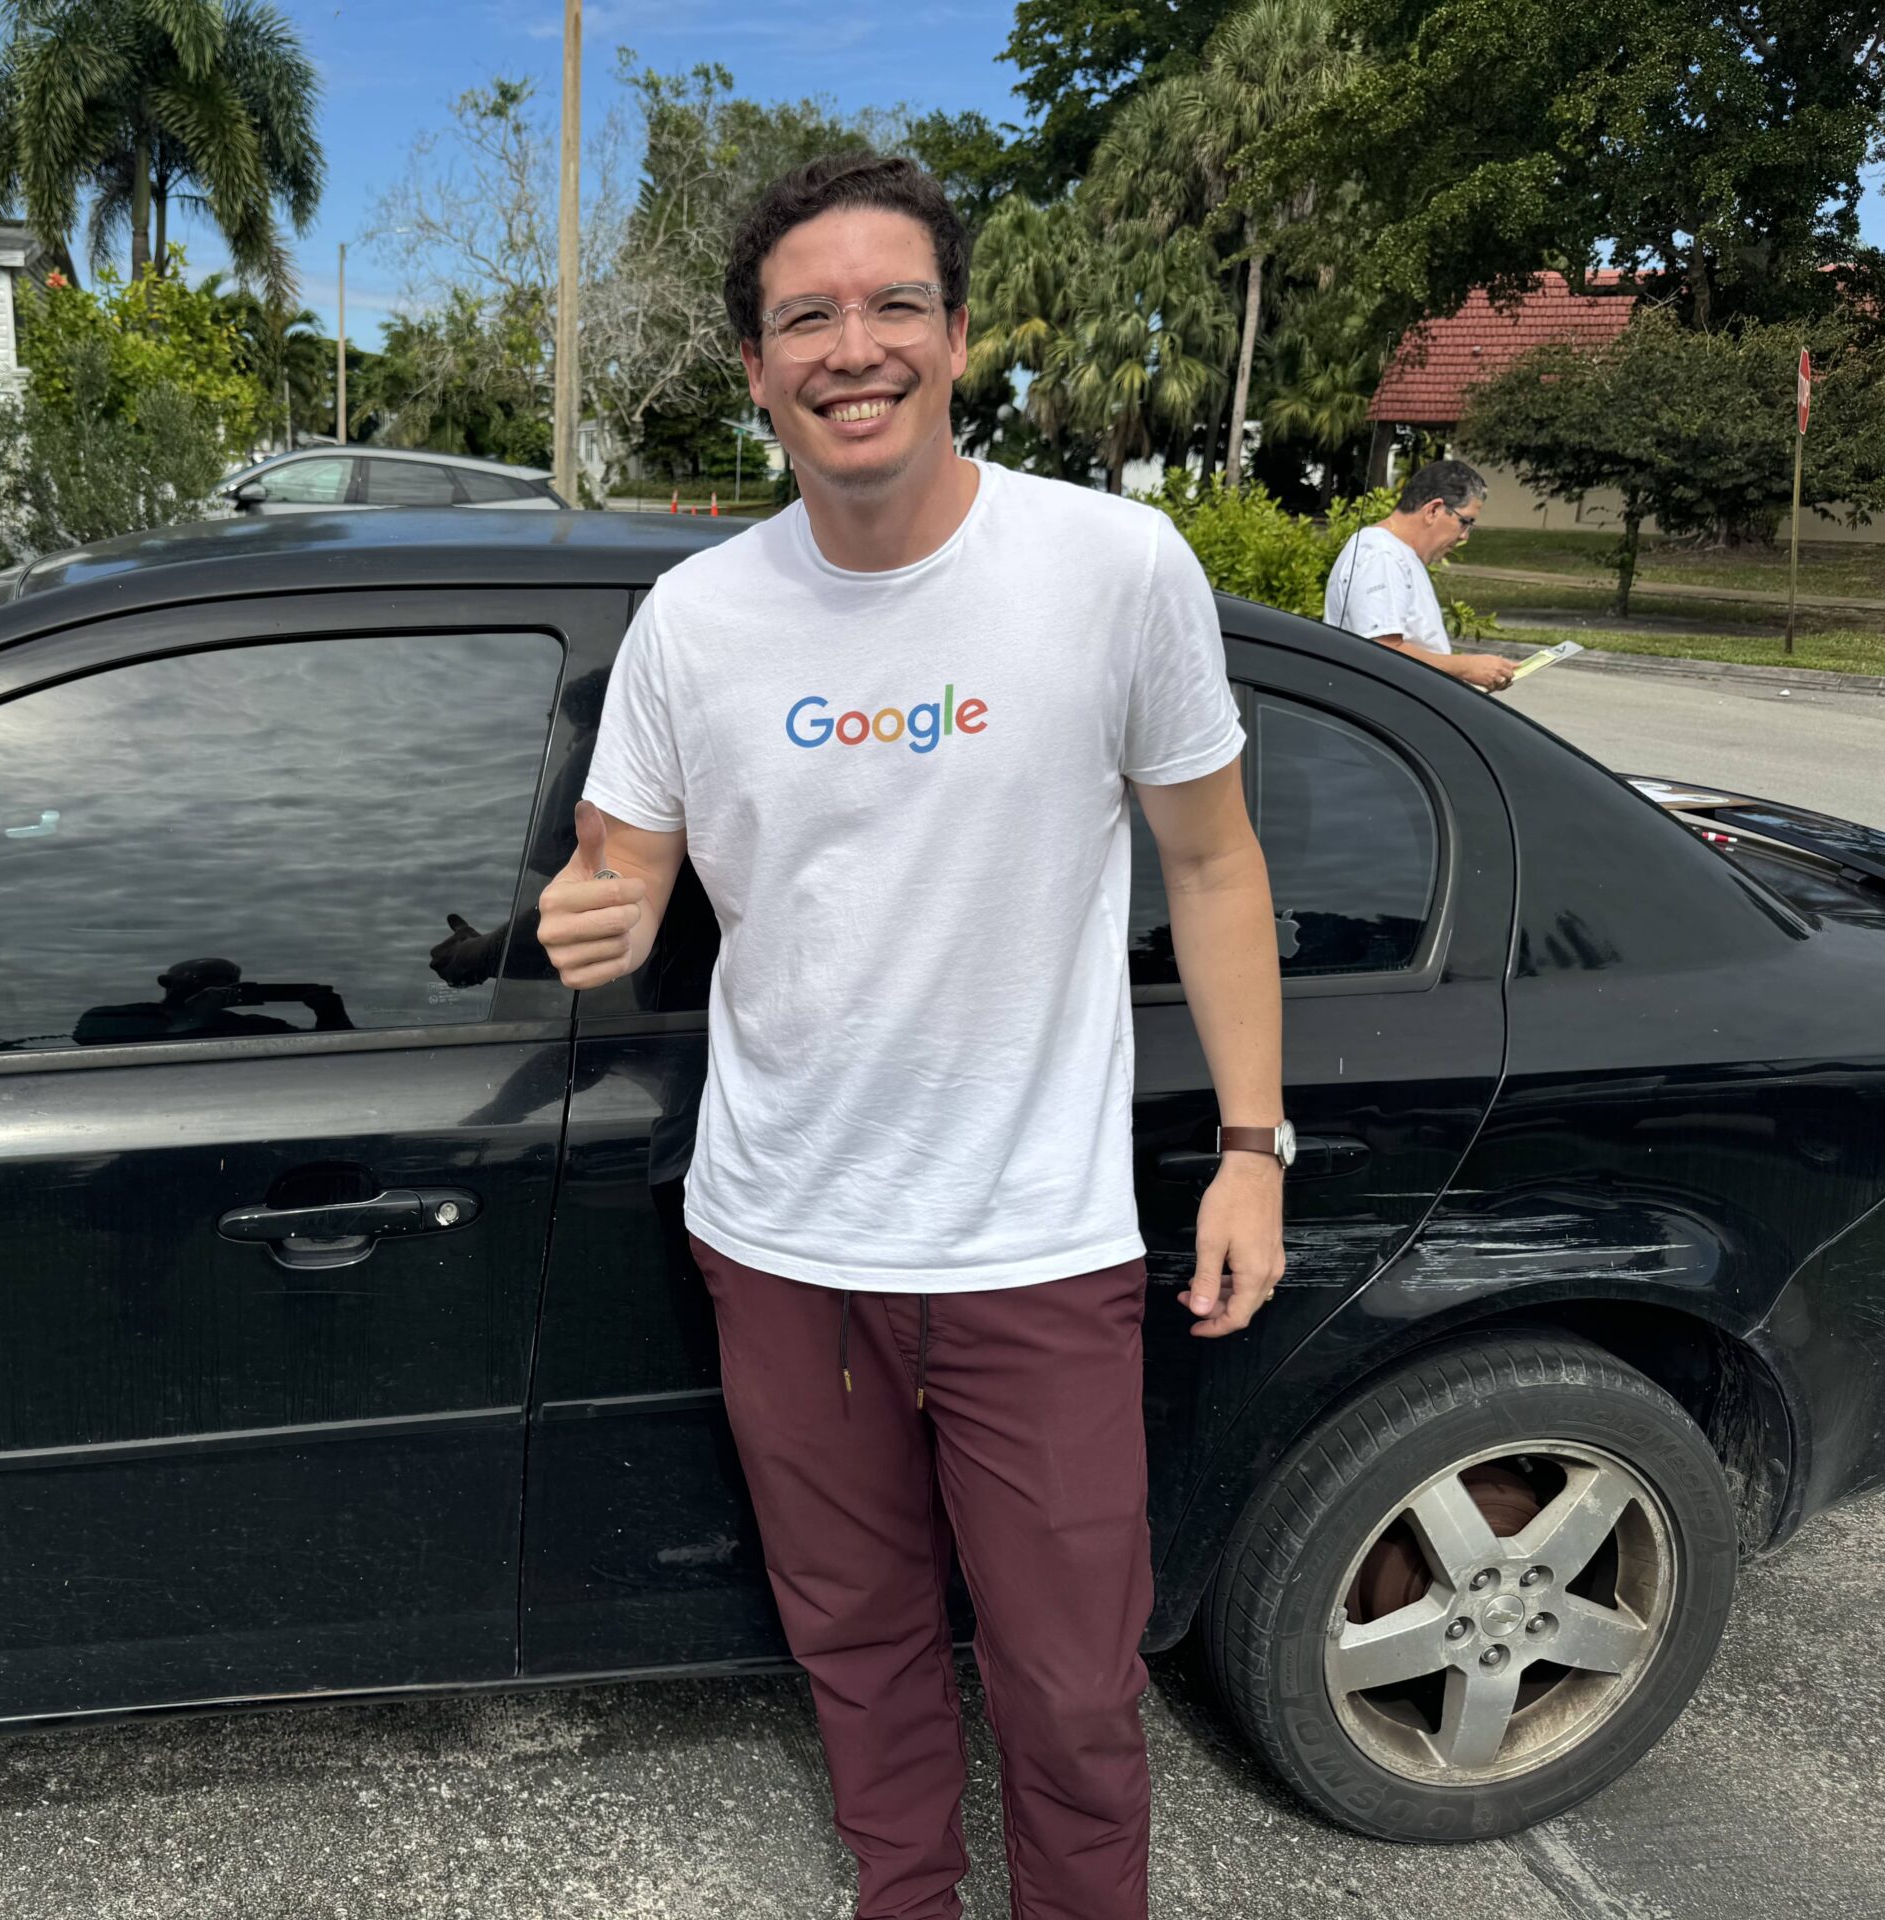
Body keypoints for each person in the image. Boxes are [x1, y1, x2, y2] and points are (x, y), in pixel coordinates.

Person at [536, 153, 1290, 1920]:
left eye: (892, 306)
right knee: (859, 1655)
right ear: (755, 367)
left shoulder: (1112, 567)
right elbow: (625, 871)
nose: (851, 346)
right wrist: (603, 914)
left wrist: (1255, 1151)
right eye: (808, 315)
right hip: (785, 1237)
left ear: (957, 338)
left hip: (1033, 1243)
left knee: (1071, 1692)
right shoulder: (699, 620)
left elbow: (1216, 860)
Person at [1324, 458, 1515, 689]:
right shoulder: (1382, 556)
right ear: (1433, 510)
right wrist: (1466, 667)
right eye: (1465, 522)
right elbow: (1383, 652)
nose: (1465, 536)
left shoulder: (1398, 553)